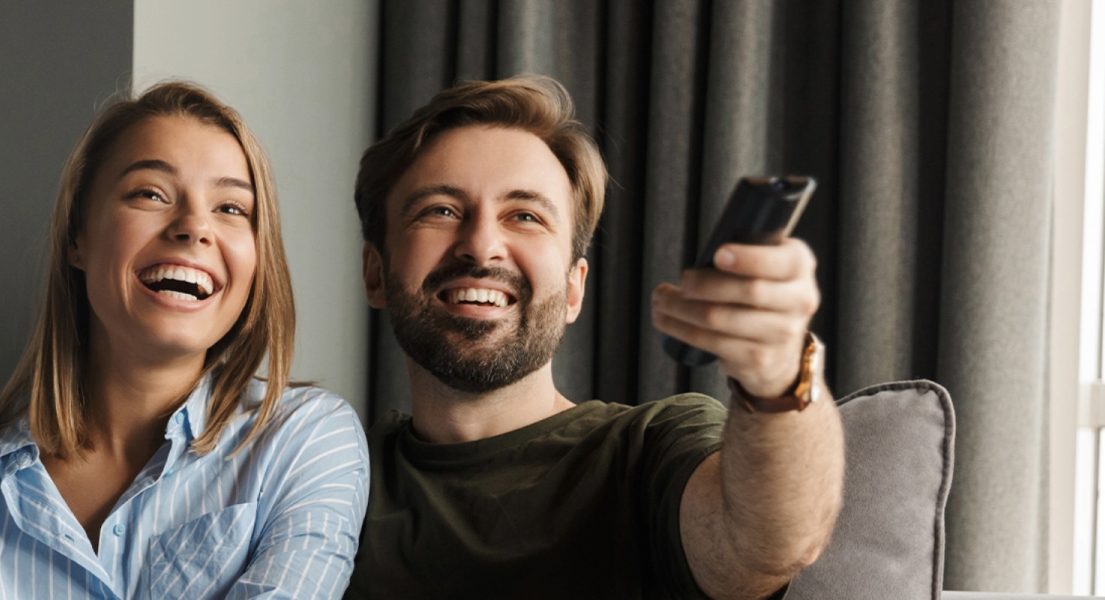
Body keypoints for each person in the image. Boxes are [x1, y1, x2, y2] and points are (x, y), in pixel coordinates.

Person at [0, 82, 369, 600]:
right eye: (150, 194)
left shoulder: (308, 441)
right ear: (77, 239)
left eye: (232, 207)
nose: (195, 226)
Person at [343, 75, 844, 600]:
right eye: (440, 210)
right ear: (376, 273)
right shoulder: (325, 469)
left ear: (574, 290)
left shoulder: (650, 448)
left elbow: (765, 547)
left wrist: (779, 374)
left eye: (526, 216)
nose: (482, 245)